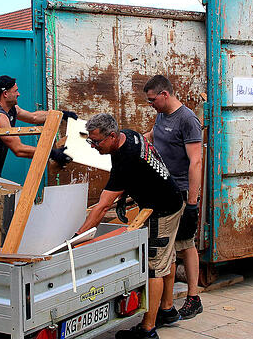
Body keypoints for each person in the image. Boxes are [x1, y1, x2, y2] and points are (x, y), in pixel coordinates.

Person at [77, 113, 184, 339]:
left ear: (112, 136)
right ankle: (167, 309)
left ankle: (148, 329)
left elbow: (102, 206)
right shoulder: (130, 135)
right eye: (90, 141)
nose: (93, 146)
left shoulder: (126, 157)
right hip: (173, 200)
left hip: (161, 210)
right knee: (168, 258)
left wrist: (77, 238)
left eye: (96, 142)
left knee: (154, 267)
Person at [143, 75, 203, 322]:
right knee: (169, 246)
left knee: (186, 244)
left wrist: (192, 202)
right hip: (164, 189)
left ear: (164, 95)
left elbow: (196, 162)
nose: (150, 105)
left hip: (181, 190)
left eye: (152, 100)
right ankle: (166, 304)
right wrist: (136, 140)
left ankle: (193, 297)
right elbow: (155, 135)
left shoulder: (187, 119)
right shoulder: (162, 115)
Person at [0, 75, 75, 177]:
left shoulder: (12, 109)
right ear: (5, 94)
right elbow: (18, 149)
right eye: (15, 91)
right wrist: (53, 154)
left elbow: (33, 117)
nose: (19, 94)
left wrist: (61, 114)